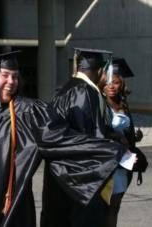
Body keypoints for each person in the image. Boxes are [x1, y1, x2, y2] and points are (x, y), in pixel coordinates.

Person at [0, 51, 124, 227]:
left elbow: (60, 139)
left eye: (15, 77)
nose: (11, 82)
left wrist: (110, 150)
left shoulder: (28, 112)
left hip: (10, 203)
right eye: (5, 75)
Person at [41, 48, 118, 227]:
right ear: (100, 71)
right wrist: (113, 148)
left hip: (58, 174)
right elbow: (88, 139)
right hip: (78, 182)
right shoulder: (85, 92)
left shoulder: (65, 88)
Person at [98, 58, 143, 227]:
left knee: (115, 206)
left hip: (123, 163)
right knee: (104, 206)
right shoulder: (99, 103)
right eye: (108, 82)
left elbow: (125, 130)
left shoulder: (123, 103)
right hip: (108, 162)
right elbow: (98, 130)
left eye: (116, 82)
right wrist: (117, 137)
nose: (111, 86)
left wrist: (134, 137)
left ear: (122, 84)